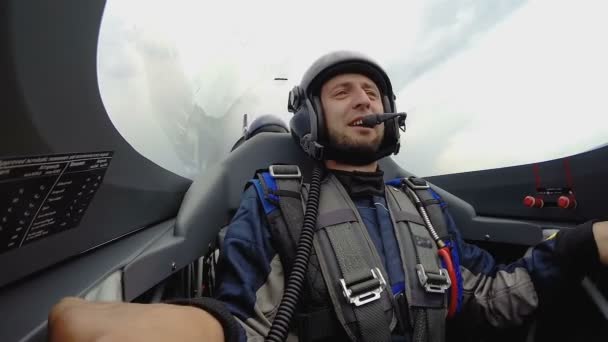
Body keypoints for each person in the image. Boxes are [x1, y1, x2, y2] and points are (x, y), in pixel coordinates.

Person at [49, 51, 608, 342]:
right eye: (343, 92)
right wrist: (195, 329)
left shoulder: (424, 203)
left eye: (372, 92)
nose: (364, 100)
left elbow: (488, 296)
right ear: (310, 115)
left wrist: (586, 243)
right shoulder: (273, 199)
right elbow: (251, 322)